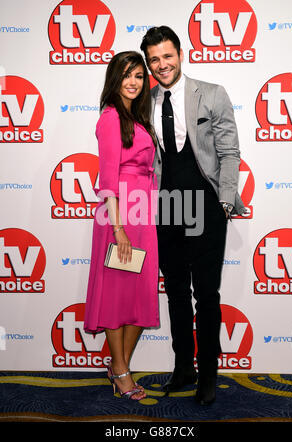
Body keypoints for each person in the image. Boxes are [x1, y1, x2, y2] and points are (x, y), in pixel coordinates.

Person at [140, 26, 245, 405]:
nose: (162, 65)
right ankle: (183, 367)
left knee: (207, 295)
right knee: (176, 296)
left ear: (180, 55)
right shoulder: (145, 100)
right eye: (154, 59)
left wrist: (226, 202)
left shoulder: (212, 93)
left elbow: (230, 152)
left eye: (167, 56)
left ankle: (209, 376)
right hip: (166, 207)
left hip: (206, 205)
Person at [84, 51, 159, 401]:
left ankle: (118, 367)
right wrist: (118, 228)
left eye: (139, 76)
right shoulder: (112, 118)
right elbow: (108, 179)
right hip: (120, 215)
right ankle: (122, 370)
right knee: (116, 294)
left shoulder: (140, 118)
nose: (133, 82)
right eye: (127, 75)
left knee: (140, 295)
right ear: (115, 79)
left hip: (143, 213)